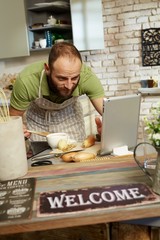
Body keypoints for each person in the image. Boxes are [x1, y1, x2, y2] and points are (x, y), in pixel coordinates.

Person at [9, 42, 104, 141]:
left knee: (73, 154)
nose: (69, 85)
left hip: (71, 119)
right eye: (62, 78)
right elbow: (13, 119)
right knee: (41, 155)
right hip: (38, 123)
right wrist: (19, 129)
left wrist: (106, 132)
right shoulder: (27, 80)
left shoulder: (87, 77)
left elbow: (107, 112)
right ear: (47, 69)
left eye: (74, 78)